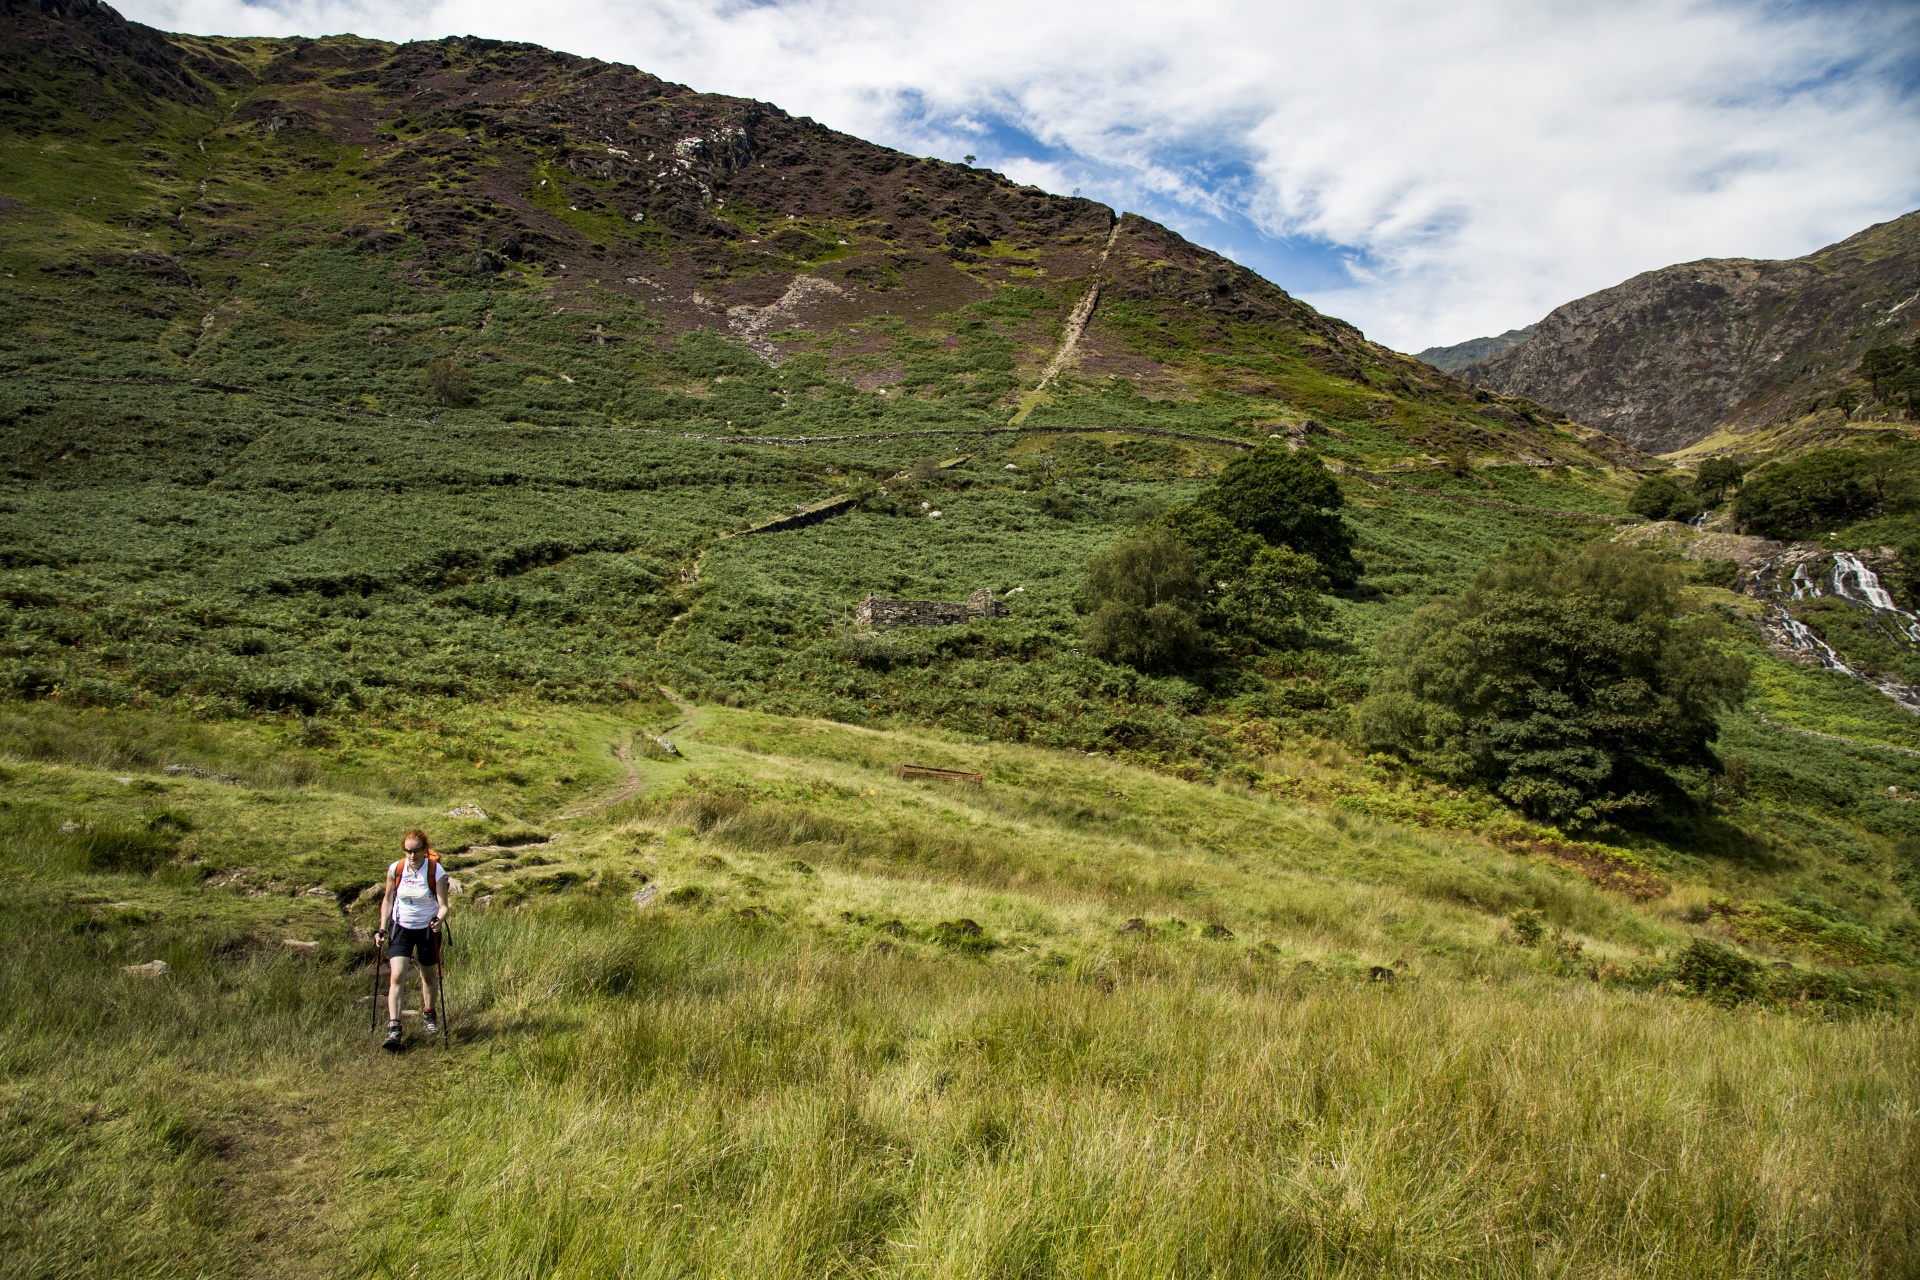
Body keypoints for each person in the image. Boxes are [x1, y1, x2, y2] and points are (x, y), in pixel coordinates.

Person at [377, 828, 449, 1052]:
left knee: (428, 976)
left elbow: (444, 905)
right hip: (401, 928)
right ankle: (394, 1027)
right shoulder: (395, 869)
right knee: (397, 975)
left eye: (417, 850)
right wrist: (381, 928)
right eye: (408, 850)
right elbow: (388, 899)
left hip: (427, 929)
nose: (412, 855)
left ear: (425, 850)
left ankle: (429, 1015)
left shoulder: (435, 871)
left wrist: (438, 919)